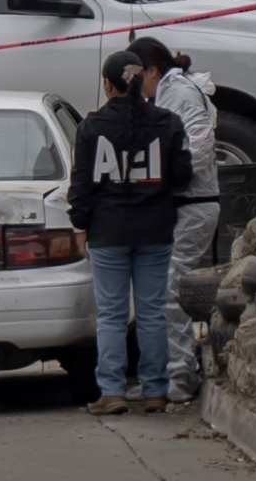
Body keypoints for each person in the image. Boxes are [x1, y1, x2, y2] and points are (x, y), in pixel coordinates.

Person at [68, 51, 193, 416]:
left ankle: (112, 391)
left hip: (108, 231)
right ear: (141, 81)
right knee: (153, 312)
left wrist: (80, 224)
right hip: (156, 229)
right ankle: (155, 390)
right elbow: (182, 178)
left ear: (108, 85)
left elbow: (81, 186)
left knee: (111, 314)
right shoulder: (169, 122)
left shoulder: (91, 127)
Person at [129, 36, 220, 404]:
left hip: (194, 202)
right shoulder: (169, 93)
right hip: (186, 202)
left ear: (152, 70)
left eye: (138, 76)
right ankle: (169, 373)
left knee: (170, 289)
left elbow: (198, 146)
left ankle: (180, 376)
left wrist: (164, 177)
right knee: (165, 289)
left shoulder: (179, 94)